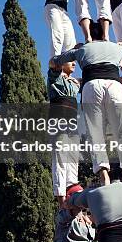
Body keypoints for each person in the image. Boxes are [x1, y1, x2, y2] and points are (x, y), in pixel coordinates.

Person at [49, 22, 122, 184]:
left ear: (90, 35)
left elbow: (54, 61)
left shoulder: (83, 49)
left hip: (91, 86)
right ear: (104, 32)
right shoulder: (116, 48)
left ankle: (103, 175)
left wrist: (75, 49)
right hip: (114, 85)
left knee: (95, 132)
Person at [48, 60, 80, 201]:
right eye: (71, 62)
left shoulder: (74, 84)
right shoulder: (55, 78)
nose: (74, 64)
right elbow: (53, 64)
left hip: (72, 124)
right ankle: (61, 196)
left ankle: (71, 187)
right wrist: (71, 52)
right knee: (60, 157)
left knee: (73, 158)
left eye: (75, 62)